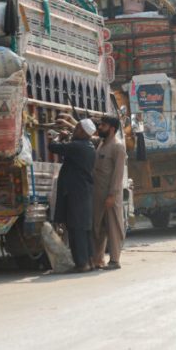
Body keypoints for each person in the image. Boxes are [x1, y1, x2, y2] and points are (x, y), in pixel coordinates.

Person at [49, 117, 97, 273]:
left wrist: (59, 136)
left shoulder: (78, 146)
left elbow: (53, 146)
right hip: (82, 192)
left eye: (76, 129)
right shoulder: (88, 146)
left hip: (76, 193)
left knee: (76, 228)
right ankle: (90, 261)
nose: (74, 131)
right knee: (84, 229)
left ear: (83, 132)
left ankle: (82, 263)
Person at [92, 116, 127, 271]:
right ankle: (98, 260)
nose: (99, 127)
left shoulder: (118, 146)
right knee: (98, 228)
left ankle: (114, 260)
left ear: (112, 128)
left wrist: (112, 195)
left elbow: (118, 174)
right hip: (97, 195)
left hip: (110, 195)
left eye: (103, 125)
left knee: (113, 228)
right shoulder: (101, 144)